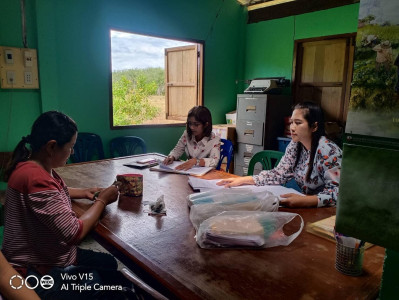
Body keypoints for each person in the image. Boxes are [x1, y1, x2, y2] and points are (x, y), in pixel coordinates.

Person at [1, 111, 135, 299]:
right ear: (52, 147)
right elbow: (74, 233)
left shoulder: (31, 166)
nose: (72, 152)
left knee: (110, 264)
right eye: (71, 146)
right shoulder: (35, 178)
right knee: (112, 288)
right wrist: (101, 200)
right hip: (38, 267)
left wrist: (84, 191)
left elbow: (50, 193)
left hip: (48, 253)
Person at [217, 102, 342, 208]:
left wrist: (304, 200)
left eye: (298, 123)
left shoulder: (328, 151)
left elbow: (338, 193)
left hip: (328, 213)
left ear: (314, 126)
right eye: (291, 122)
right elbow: (279, 173)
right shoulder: (295, 145)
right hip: (309, 207)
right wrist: (244, 179)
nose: (292, 127)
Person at [163, 106, 221, 170]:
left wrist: (196, 161)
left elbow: (214, 161)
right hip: (189, 172)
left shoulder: (215, 140)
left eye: (196, 124)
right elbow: (178, 150)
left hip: (206, 175)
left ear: (206, 125)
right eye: (190, 123)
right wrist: (172, 157)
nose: (192, 127)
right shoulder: (187, 134)